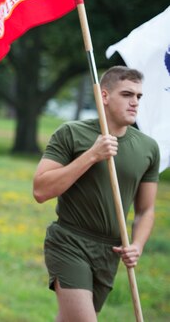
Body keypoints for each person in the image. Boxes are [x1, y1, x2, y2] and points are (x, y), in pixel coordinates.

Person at [33, 66, 159, 321]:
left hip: (108, 253)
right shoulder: (71, 133)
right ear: (104, 96)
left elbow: (146, 210)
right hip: (69, 242)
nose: (135, 102)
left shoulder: (148, 148)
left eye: (138, 96)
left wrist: (137, 245)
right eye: (127, 94)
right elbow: (41, 190)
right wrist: (92, 155)